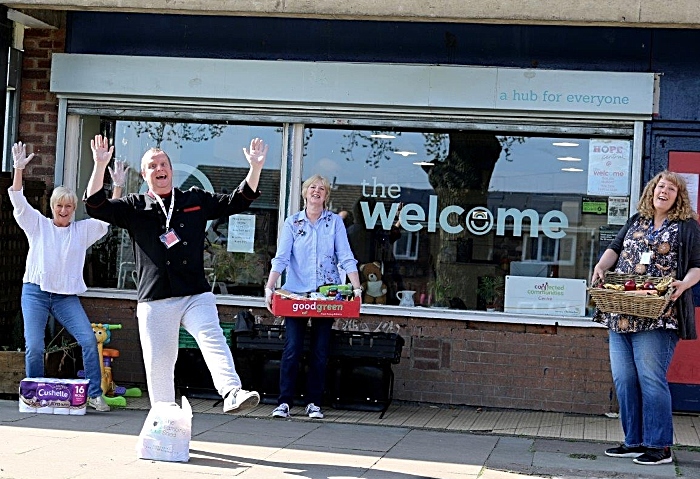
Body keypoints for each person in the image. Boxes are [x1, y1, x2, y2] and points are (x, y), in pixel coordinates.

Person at [84, 134, 267, 412]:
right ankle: (164, 420)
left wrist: (255, 168)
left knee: (212, 337)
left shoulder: (194, 199)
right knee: (159, 365)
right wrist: (99, 165)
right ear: (145, 175)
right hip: (156, 299)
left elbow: (237, 201)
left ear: (171, 170)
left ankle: (231, 391)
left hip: (195, 293)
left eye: (164, 164)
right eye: (153, 166)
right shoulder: (134, 206)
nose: (160, 169)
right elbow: (95, 205)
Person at [591, 170, 700, 466]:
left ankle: (660, 445)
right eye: (660, 186)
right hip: (621, 311)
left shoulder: (687, 226)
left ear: (679, 197)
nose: (664, 192)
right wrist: (601, 267)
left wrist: (684, 284)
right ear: (652, 190)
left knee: (650, 377)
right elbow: (614, 249)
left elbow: (697, 266)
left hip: (659, 314)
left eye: (671, 189)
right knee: (624, 378)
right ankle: (634, 441)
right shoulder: (636, 220)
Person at [8, 141, 126, 412]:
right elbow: (17, 199)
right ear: (52, 207)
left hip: (65, 297)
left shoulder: (81, 231)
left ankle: (95, 395)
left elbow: (107, 218)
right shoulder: (38, 225)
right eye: (59, 206)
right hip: (35, 293)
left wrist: (117, 185)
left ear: (74, 209)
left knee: (87, 339)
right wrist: (18, 169)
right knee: (35, 345)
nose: (64, 211)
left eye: (69, 207)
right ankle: (34, 394)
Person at [264, 174, 363, 419]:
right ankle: (284, 402)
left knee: (320, 349)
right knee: (292, 348)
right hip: (296, 293)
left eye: (322, 188)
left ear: (326, 196)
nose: (316, 191)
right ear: (304, 192)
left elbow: (346, 256)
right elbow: (282, 257)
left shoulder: (335, 223)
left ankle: (314, 403)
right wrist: (270, 287)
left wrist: (357, 289)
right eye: (312, 187)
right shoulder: (292, 223)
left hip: (326, 294)